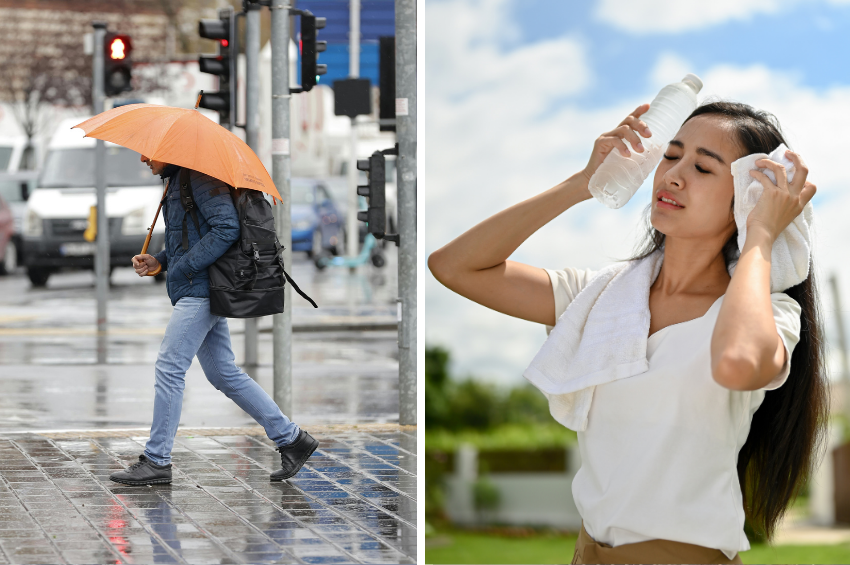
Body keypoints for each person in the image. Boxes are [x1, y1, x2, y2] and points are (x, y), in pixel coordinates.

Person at [428, 101, 828, 564]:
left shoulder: (769, 313)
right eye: (670, 155)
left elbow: (738, 362)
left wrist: (760, 234)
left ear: (749, 196)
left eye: (702, 167)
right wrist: (582, 183)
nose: (672, 175)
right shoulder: (601, 298)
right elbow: (453, 266)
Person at [109, 155, 318, 486]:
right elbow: (192, 236)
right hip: (198, 287)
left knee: (169, 367)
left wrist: (184, 267)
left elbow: (226, 228)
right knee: (223, 373)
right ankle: (292, 439)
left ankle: (157, 459)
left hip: (201, 290)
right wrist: (160, 261)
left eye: (150, 153)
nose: (144, 158)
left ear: (171, 151)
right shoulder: (179, 180)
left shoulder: (198, 177)